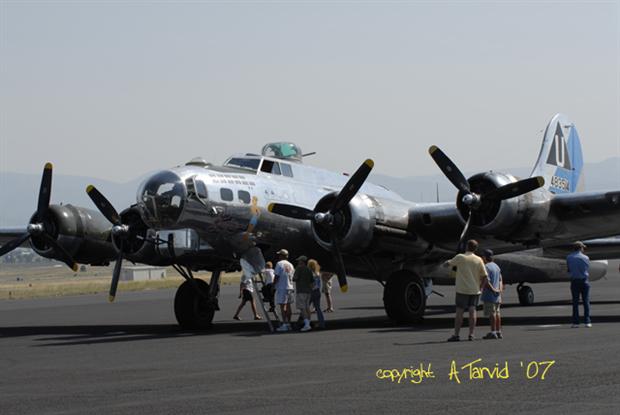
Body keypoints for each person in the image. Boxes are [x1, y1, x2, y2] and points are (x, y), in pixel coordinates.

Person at [444, 239, 488, 342]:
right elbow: (485, 276)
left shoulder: (460, 257)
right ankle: (471, 334)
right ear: (476, 248)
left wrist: (445, 262)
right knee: (473, 311)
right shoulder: (479, 260)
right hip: (475, 290)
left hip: (462, 289)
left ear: (466, 247)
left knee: (459, 312)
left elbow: (448, 264)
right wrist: (481, 288)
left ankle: (456, 334)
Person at [566, 241, 592, 328]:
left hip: (574, 281)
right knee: (586, 302)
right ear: (581, 248)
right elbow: (587, 268)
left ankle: (575, 322)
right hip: (584, 281)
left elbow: (569, 269)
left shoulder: (569, 257)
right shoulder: (586, 257)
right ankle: (587, 321)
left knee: (575, 302)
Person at [480, 249, 503, 339]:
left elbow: (486, 281)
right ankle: (499, 331)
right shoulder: (496, 266)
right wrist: (499, 289)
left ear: (484, 257)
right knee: (497, 313)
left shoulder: (486, 267)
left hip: (489, 295)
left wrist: (493, 289)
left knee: (491, 313)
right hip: (497, 295)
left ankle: (493, 332)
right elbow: (501, 279)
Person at [274, 249, 295, 332]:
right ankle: (289, 323)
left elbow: (277, 276)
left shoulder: (279, 264)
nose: (278, 256)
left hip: (282, 287)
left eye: (279, 255)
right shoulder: (291, 265)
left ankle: (285, 324)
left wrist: (273, 285)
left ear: (282, 256)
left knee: (283, 306)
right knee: (289, 306)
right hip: (290, 286)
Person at [293, 255, 314, 332]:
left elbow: (295, 278)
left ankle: (307, 324)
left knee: (302, 308)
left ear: (301, 261)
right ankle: (308, 322)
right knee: (307, 308)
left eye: (299, 261)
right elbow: (312, 282)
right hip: (308, 291)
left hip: (301, 290)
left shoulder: (299, 268)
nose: (298, 262)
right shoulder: (309, 269)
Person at [308, 259, 326, 329]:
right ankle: (322, 323)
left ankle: (303, 322)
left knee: (305, 307)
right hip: (317, 291)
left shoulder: (310, 274)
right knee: (318, 308)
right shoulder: (318, 273)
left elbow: (311, 284)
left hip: (311, 291)